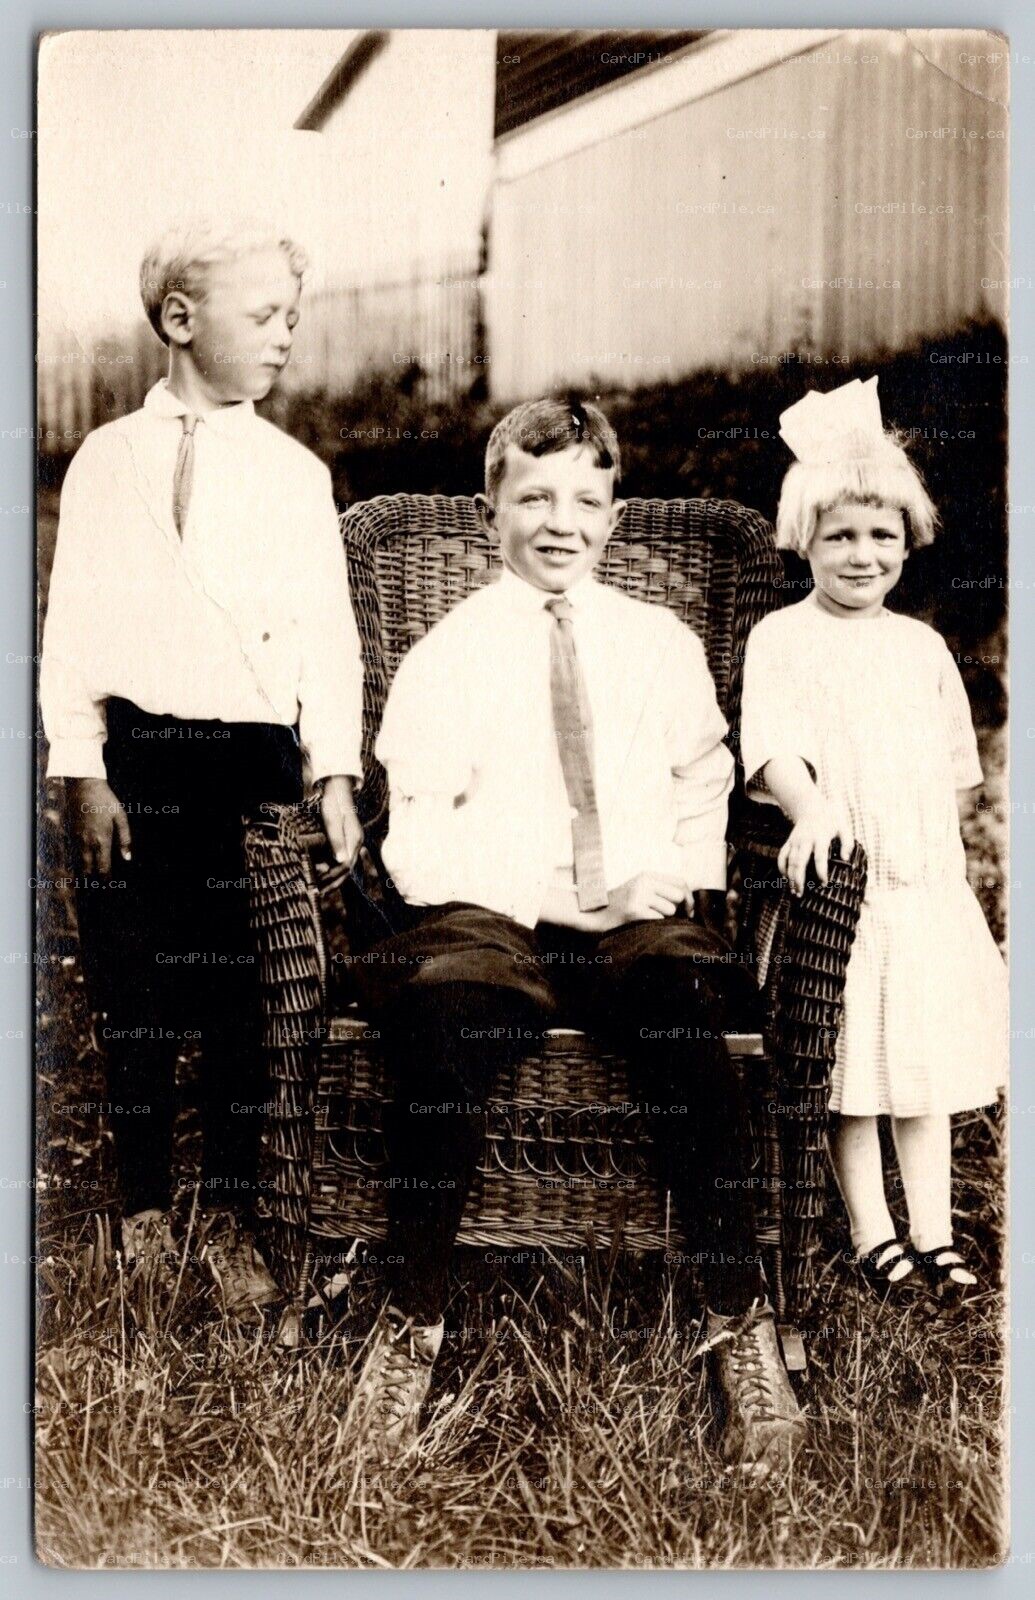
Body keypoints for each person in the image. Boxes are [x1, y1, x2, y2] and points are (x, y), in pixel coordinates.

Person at [347, 398, 804, 1472]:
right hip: (488, 910)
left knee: (687, 1005)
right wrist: (555, 894)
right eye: (535, 497)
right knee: (441, 1014)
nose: (562, 522)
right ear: (487, 509)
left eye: (586, 501)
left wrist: (670, 881)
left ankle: (737, 1319)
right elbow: (415, 838)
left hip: (634, 914)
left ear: (615, 516)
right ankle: (411, 1321)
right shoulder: (448, 653)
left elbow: (705, 783)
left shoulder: (659, 643)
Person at [40, 219, 364, 1319]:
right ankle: (141, 1204)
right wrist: (82, 766)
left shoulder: (293, 474)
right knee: (132, 982)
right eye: (265, 315)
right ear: (181, 321)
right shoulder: (105, 462)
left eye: (293, 317)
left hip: (251, 766)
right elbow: (73, 625)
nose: (286, 337)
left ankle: (226, 1208)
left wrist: (333, 772)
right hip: (139, 758)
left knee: (235, 991)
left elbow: (329, 637)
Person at [740, 376, 1006, 1305]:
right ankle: (871, 1232)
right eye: (839, 534)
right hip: (840, 890)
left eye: (880, 535)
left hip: (918, 885)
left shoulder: (921, 648)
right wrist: (810, 807)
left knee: (919, 1067)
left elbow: (947, 772)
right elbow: (770, 745)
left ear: (909, 542)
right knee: (854, 1069)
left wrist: (952, 875)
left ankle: (933, 1232)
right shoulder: (782, 638)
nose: (861, 555)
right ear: (802, 538)